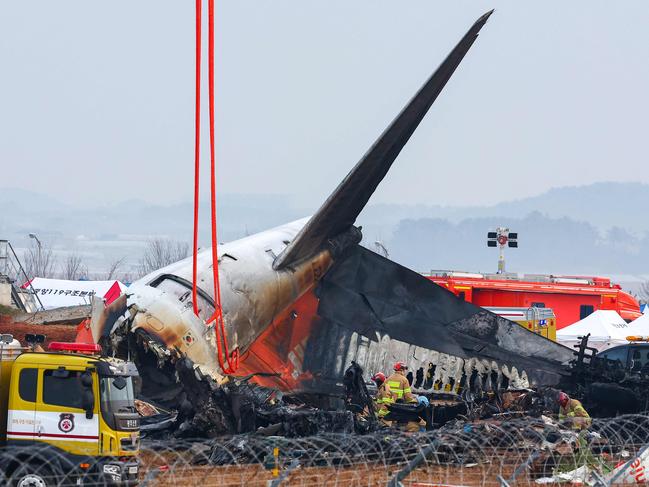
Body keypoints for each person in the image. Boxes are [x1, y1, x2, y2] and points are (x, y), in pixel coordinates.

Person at [386, 362, 425, 432]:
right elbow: (408, 397)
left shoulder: (388, 379)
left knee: (392, 428)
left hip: (390, 406)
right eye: (404, 369)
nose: (405, 371)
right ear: (402, 370)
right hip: (400, 406)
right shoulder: (404, 380)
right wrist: (416, 401)